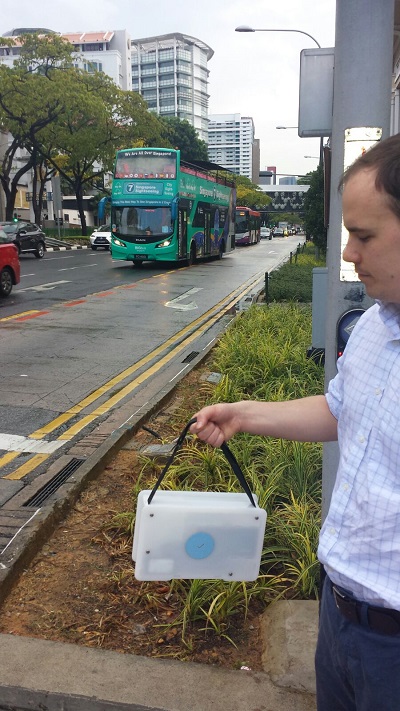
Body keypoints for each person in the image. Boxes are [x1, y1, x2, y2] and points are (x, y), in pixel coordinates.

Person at [190, 132, 400, 711]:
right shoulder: (375, 328)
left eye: (363, 236)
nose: (350, 254)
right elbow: (339, 408)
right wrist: (243, 415)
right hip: (339, 618)